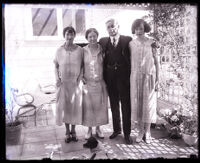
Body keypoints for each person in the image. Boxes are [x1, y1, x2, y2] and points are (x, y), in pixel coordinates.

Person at [99, 18, 133, 144]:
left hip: (124, 78)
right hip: (110, 78)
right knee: (113, 105)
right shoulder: (103, 41)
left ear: (118, 26)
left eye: (113, 26)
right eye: (108, 27)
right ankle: (117, 129)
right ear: (106, 29)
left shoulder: (127, 40)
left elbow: (138, 47)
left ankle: (127, 133)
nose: (111, 29)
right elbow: (89, 46)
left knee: (126, 106)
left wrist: (152, 44)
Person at [129, 19, 159, 144]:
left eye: (141, 28)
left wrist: (158, 79)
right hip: (135, 78)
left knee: (148, 105)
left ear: (145, 28)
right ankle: (140, 131)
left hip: (149, 77)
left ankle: (147, 131)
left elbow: (157, 62)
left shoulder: (152, 42)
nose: (139, 31)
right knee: (138, 105)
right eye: (136, 29)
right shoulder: (131, 44)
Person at [54, 26, 83, 143]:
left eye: (71, 34)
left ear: (74, 36)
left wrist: (79, 79)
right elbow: (55, 66)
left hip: (75, 83)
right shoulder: (59, 50)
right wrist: (57, 79)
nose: (69, 37)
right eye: (67, 34)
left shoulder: (80, 50)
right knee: (65, 108)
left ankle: (74, 131)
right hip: (64, 83)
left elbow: (82, 67)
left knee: (75, 108)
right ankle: (67, 131)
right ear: (64, 36)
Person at [82, 28, 109, 140]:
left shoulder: (102, 49)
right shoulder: (83, 50)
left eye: (94, 36)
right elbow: (80, 65)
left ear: (97, 37)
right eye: (90, 37)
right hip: (88, 83)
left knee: (99, 106)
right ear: (87, 38)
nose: (92, 38)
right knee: (88, 107)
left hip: (100, 82)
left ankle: (98, 128)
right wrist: (81, 77)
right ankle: (89, 129)